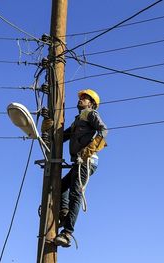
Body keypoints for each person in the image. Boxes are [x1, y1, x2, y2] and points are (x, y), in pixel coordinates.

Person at [54, 89, 108, 247]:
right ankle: (64, 213)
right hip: (78, 162)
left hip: (87, 161)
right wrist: (48, 133)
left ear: (91, 103)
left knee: (75, 193)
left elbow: (104, 131)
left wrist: (87, 151)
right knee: (60, 187)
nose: (81, 100)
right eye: (81, 97)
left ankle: (67, 233)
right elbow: (62, 136)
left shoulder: (90, 114)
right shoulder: (78, 120)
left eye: (85, 98)